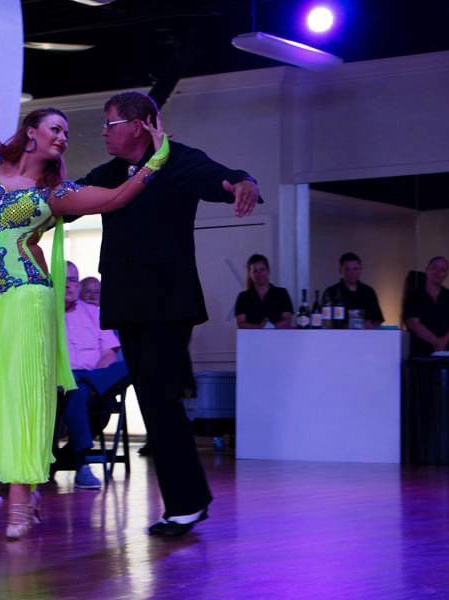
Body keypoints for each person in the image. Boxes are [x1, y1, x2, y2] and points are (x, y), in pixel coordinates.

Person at [0, 106, 169, 540]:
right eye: (56, 128)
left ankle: (18, 503)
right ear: (30, 132)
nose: (63, 137)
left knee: (22, 395)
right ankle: (24, 494)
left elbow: (116, 197)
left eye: (66, 133)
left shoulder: (56, 193)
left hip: (26, 297)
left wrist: (158, 158)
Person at [75, 91, 260, 537]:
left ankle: (186, 504)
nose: (103, 132)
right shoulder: (111, 173)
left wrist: (244, 182)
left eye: (110, 124)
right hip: (128, 305)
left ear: (139, 125)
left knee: (160, 398)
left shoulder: (176, 160)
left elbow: (220, 178)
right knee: (153, 399)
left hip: (167, 304)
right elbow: (72, 195)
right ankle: (188, 502)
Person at [62, 261, 127, 490]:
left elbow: (110, 352)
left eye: (72, 280)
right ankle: (82, 466)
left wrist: (94, 377)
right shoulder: (43, 314)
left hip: (95, 379)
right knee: (78, 392)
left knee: (130, 365)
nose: (68, 285)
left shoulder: (94, 313)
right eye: (62, 279)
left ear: (77, 285)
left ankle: (86, 383)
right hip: (62, 382)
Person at [403, 257, 449, 357]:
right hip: (421, 352)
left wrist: (443, 342)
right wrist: (437, 342)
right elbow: (413, 323)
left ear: (446, 274)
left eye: (442, 270)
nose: (438, 272)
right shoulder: (414, 296)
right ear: (427, 270)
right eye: (434, 268)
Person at [322, 252, 385, 329]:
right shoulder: (331, 292)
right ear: (340, 270)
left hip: (365, 335)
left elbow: (378, 319)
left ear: (360, 270)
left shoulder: (369, 292)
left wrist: (370, 325)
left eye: (355, 269)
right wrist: (347, 327)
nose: (352, 273)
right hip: (339, 335)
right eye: (347, 269)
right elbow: (325, 322)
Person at [233, 254, 293, 329]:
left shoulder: (282, 293)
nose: (259, 274)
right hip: (252, 336)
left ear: (268, 271)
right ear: (250, 274)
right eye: (255, 271)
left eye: (262, 269)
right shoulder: (243, 297)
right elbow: (241, 323)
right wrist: (259, 327)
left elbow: (287, 319)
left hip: (277, 335)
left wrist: (270, 327)